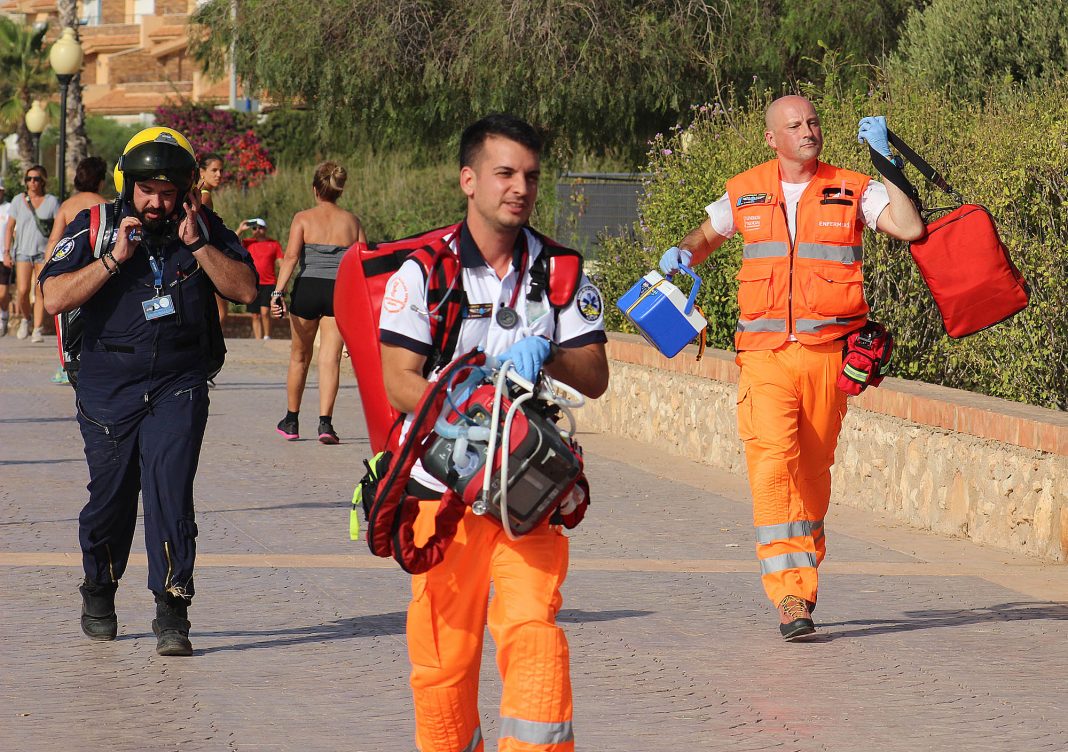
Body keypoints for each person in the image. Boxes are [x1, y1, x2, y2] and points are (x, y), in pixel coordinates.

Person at [378, 114, 609, 752]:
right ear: (469, 180)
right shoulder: (421, 272)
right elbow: (400, 379)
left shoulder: (561, 271)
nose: (520, 187)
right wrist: (474, 428)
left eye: (530, 176)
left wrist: (547, 350)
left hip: (528, 494)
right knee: (444, 664)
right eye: (505, 173)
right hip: (441, 493)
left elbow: (595, 374)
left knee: (533, 632)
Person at [660, 96, 924, 641]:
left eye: (813, 122)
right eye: (795, 125)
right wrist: (682, 253)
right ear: (771, 140)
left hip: (829, 357)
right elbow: (705, 235)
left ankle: (803, 579)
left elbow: (909, 227)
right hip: (763, 358)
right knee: (772, 464)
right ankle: (788, 594)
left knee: (812, 474)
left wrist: (886, 163)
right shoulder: (745, 189)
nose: (808, 131)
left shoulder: (852, 187)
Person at [38, 127, 258, 656]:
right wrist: (114, 258)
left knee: (170, 494)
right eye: (147, 190)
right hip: (107, 385)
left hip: (178, 384)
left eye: (168, 191)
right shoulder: (93, 226)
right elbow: (51, 296)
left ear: (184, 190)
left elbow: (247, 289)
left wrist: (199, 245)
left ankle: (172, 611)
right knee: (110, 500)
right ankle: (99, 588)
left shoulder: (201, 226)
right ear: (129, 187)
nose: (157, 202)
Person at [270, 161, 365, 444]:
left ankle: (291, 421)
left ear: (315, 189)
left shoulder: (303, 218)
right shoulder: (352, 221)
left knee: (299, 357)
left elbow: (289, 258)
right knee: (330, 359)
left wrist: (277, 292)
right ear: (340, 191)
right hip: (339, 291)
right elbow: (362, 264)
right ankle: (325, 425)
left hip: (307, 288)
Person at [4, 165, 60, 342]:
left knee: (40, 291)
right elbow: (10, 227)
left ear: (42, 180)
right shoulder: (18, 200)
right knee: (22, 290)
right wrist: (6, 252)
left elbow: (60, 225)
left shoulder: (52, 201)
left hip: (44, 253)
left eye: (36, 178)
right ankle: (25, 319)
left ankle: (37, 328)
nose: (32, 182)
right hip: (22, 252)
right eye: (29, 179)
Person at [197, 152, 230, 329]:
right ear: (202, 171)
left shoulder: (200, 192)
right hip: (206, 257)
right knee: (221, 311)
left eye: (221, 170)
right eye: (214, 170)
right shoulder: (204, 196)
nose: (219, 175)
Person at [237, 217, 283, 340]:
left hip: (269, 282)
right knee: (255, 315)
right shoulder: (248, 243)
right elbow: (232, 242)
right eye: (254, 228)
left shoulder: (274, 244)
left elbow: (281, 263)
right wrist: (241, 229)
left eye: (260, 227)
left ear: (265, 229)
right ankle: (258, 340)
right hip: (253, 283)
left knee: (265, 312)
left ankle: (267, 336)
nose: (257, 230)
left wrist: (282, 284)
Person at [0, 181, 11, 336]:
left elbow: (13, 231)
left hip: (4, 257)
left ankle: (4, 313)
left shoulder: (9, 208)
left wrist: (9, 253)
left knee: (2, 294)